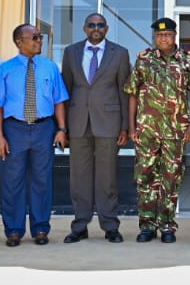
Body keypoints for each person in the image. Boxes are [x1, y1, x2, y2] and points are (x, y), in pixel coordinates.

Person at [125, 17, 190, 244]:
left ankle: (167, 226)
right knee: (145, 178)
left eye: (167, 34)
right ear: (155, 37)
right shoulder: (144, 60)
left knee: (171, 178)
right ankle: (147, 225)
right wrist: (131, 127)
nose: (163, 38)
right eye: (159, 35)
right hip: (146, 130)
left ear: (174, 35)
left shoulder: (188, 61)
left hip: (175, 131)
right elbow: (132, 93)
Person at [0, 23, 69, 246]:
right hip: (14, 129)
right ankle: (14, 230)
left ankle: (40, 229)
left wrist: (61, 130)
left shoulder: (50, 67)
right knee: (12, 181)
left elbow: (59, 100)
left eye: (40, 37)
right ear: (19, 42)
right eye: (34, 37)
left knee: (41, 181)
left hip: (43, 128)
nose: (39, 41)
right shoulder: (5, 69)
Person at [61, 13, 130, 244]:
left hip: (108, 124)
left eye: (100, 25)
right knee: (78, 178)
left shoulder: (119, 53)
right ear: (84, 28)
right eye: (91, 25)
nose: (96, 28)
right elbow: (66, 90)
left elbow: (124, 91)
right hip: (78, 123)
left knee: (107, 178)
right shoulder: (71, 52)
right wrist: (63, 127)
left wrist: (125, 127)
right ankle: (80, 226)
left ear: (107, 28)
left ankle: (110, 226)